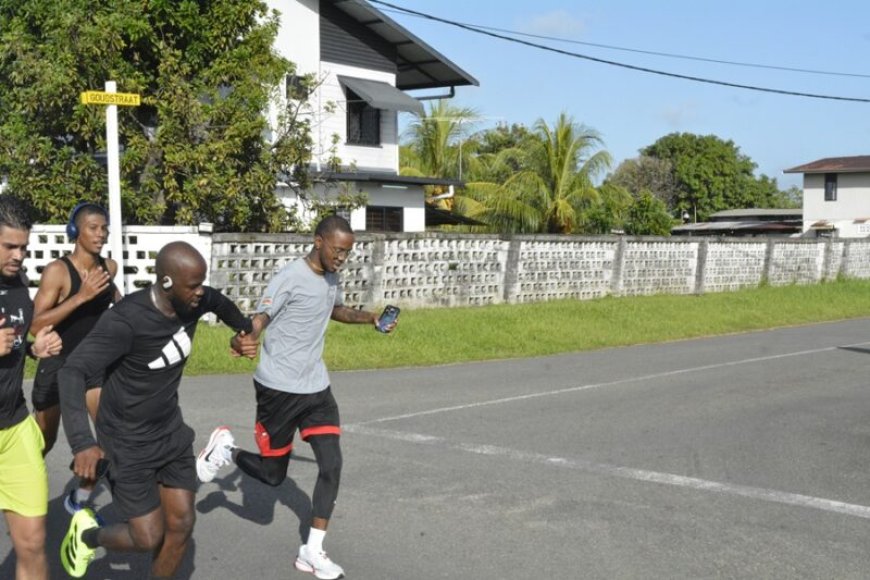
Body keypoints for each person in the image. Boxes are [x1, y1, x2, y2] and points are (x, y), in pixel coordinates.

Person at [197, 215, 396, 580]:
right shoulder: (290, 276)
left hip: (316, 388)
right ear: (318, 242)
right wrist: (242, 338)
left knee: (332, 465)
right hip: (278, 389)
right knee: (273, 476)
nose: (342, 258)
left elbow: (334, 309)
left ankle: (312, 551)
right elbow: (261, 317)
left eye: (347, 253)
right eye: (337, 250)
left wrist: (371, 319)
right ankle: (226, 449)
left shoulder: (331, 276)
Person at [57, 241, 258, 579]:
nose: (200, 292)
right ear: (166, 282)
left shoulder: (196, 300)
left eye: (201, 283)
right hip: (126, 440)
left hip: (169, 430)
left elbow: (220, 302)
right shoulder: (126, 320)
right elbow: (71, 372)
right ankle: (87, 536)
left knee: (182, 525)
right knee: (147, 536)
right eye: (192, 285)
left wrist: (242, 331)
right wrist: (82, 442)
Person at [30, 202, 120, 514]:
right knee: (43, 442)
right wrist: (81, 297)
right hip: (57, 364)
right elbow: (35, 325)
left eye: (104, 228)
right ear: (75, 231)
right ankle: (17, 486)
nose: (101, 234)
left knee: (110, 435)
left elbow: (118, 304)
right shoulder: (57, 271)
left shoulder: (109, 268)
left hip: (92, 366)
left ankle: (79, 498)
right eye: (93, 228)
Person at [0, 195, 64, 580]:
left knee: (33, 542)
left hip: (15, 427)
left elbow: (13, 343)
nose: (19, 255)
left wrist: (32, 348)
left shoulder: (19, 284)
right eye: (9, 246)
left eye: (23, 246)